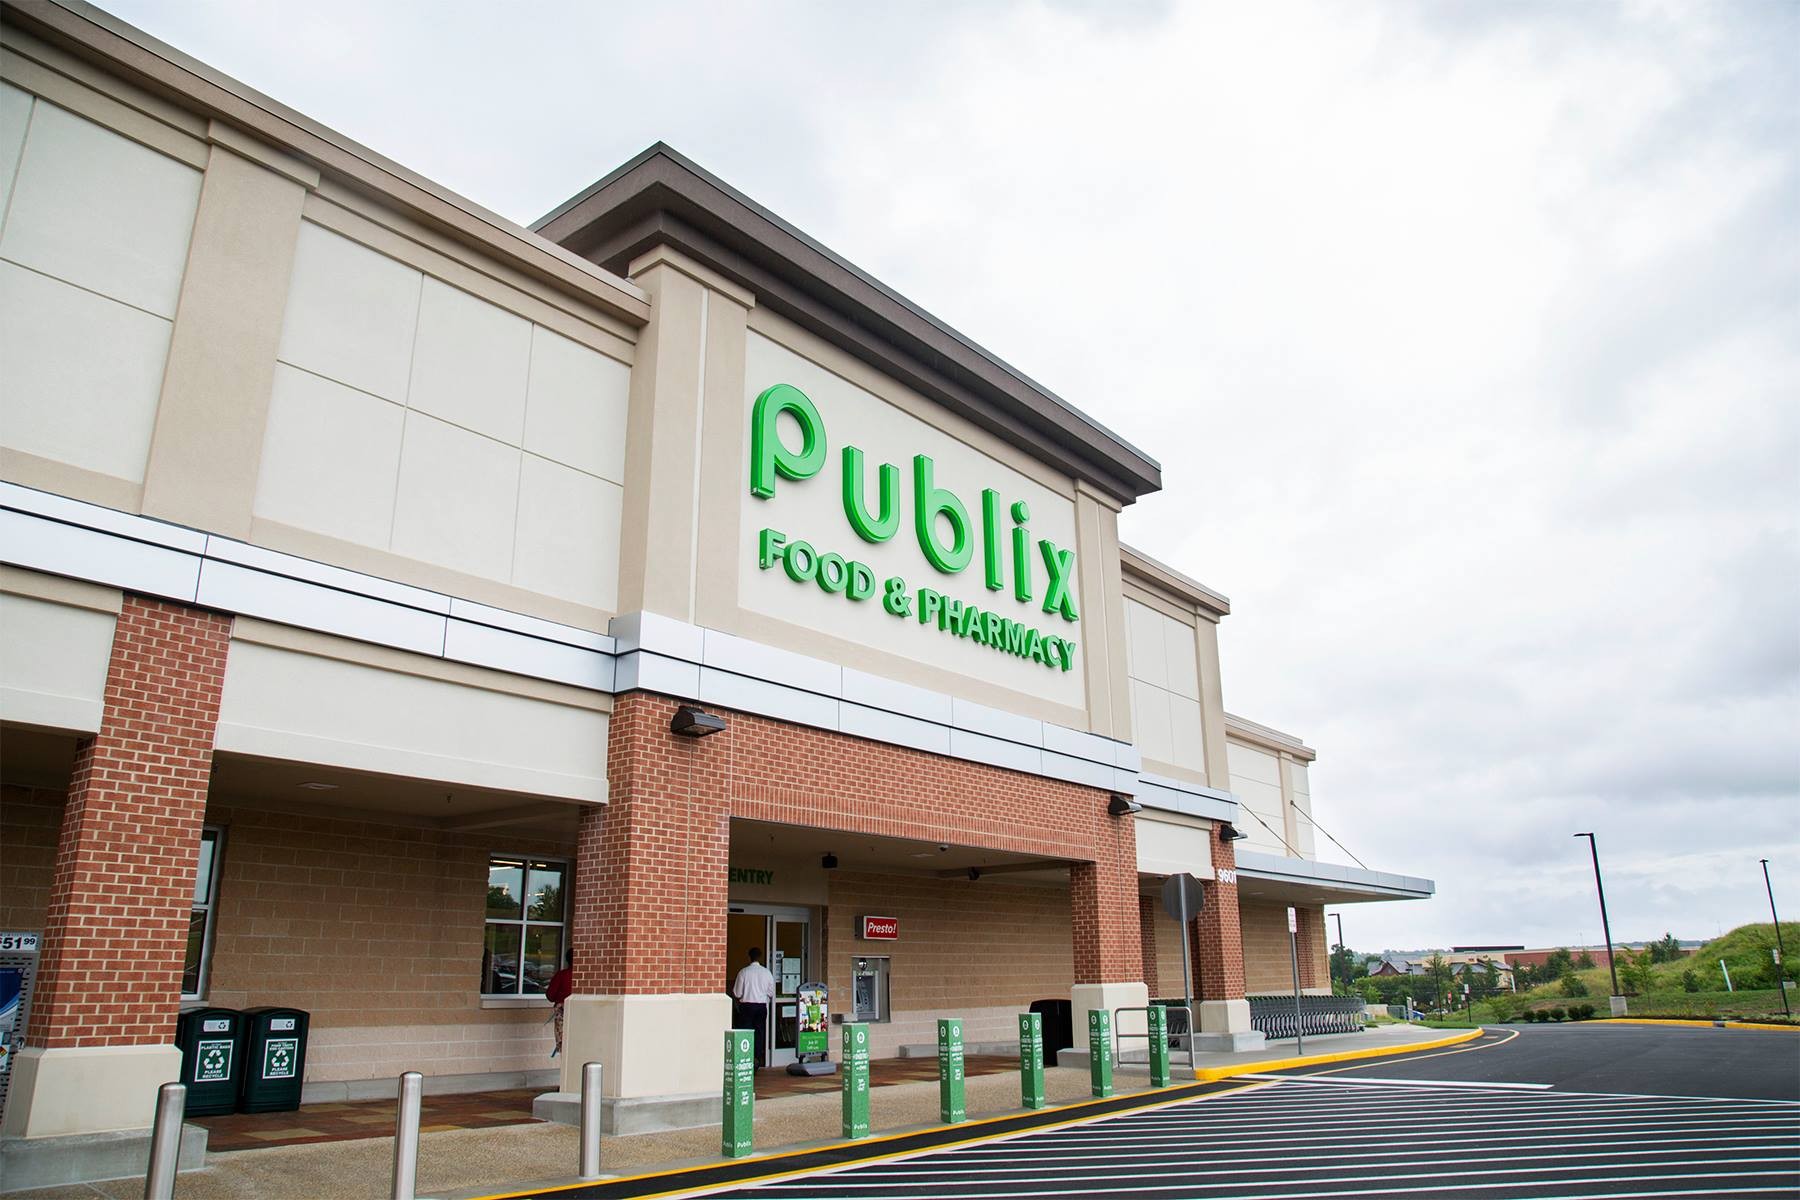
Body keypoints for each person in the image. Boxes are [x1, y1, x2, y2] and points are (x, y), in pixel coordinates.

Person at [731, 947, 776, 1066]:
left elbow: (737, 993)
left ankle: (745, 1058)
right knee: (759, 1033)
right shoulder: (767, 973)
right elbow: (771, 993)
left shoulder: (743, 972)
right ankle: (756, 1058)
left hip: (746, 1006)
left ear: (749, 957)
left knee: (745, 1033)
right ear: (760, 957)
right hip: (761, 1006)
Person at [546, 950, 574, 1059]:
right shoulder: (587, 977)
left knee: (564, 1044)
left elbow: (550, 995)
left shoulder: (562, 975)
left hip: (562, 1013)